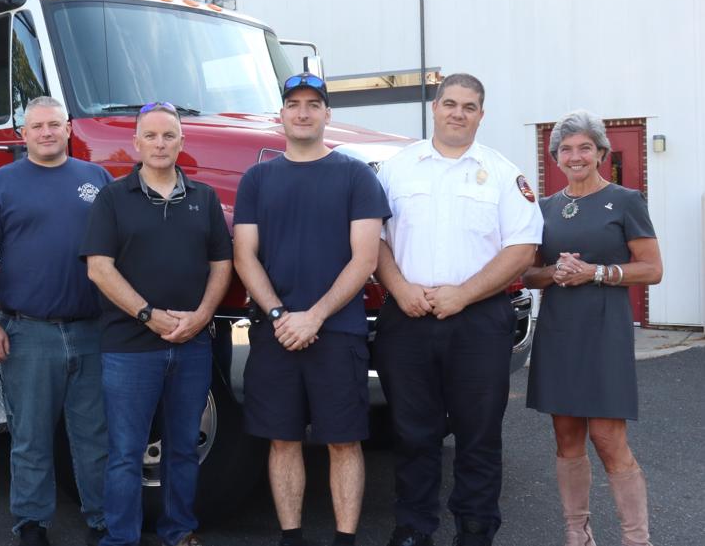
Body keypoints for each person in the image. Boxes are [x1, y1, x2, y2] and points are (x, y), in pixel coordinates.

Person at [373, 73, 543, 546]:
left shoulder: (505, 174)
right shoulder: (396, 169)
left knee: (479, 434)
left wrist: (464, 294)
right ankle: (413, 527)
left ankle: (475, 528)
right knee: (411, 432)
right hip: (407, 315)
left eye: (469, 106)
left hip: (478, 320)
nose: (458, 113)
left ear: (481, 115)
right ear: (434, 107)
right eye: (450, 103)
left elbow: (523, 248)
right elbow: (375, 241)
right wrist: (400, 287)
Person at [233, 73, 390, 546]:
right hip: (275, 333)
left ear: (327, 114)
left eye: (313, 104)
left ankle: (345, 538)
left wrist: (315, 315)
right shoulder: (257, 178)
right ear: (280, 115)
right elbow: (244, 255)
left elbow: (365, 258)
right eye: (294, 104)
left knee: (344, 440)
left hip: (337, 332)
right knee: (283, 439)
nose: (303, 112)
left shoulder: (355, 174)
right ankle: (291, 537)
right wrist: (281, 316)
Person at [0, 96, 112, 546]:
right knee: (30, 438)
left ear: (68, 129)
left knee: (94, 436)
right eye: (36, 126)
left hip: (90, 329)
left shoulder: (97, 179)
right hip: (27, 331)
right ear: (22, 135)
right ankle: (31, 524)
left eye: (54, 124)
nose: (46, 132)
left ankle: (102, 521)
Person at [81, 102, 233, 546]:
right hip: (129, 347)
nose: (160, 143)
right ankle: (121, 537)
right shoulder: (112, 197)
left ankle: (178, 530)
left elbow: (222, 263)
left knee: (183, 449)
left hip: (191, 344)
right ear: (137, 143)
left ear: (182, 143)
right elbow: (99, 268)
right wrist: (148, 314)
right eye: (151, 135)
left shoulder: (203, 199)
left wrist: (202, 316)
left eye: (169, 136)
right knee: (126, 453)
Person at [522, 111, 663, 546]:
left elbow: (652, 269)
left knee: (606, 436)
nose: (575, 156)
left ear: (601, 152)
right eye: (566, 149)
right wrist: (555, 273)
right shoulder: (543, 208)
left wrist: (595, 272)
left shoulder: (625, 200)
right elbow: (529, 274)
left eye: (585, 147)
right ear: (555, 157)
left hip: (604, 330)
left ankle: (636, 539)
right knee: (566, 437)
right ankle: (577, 535)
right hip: (560, 330)